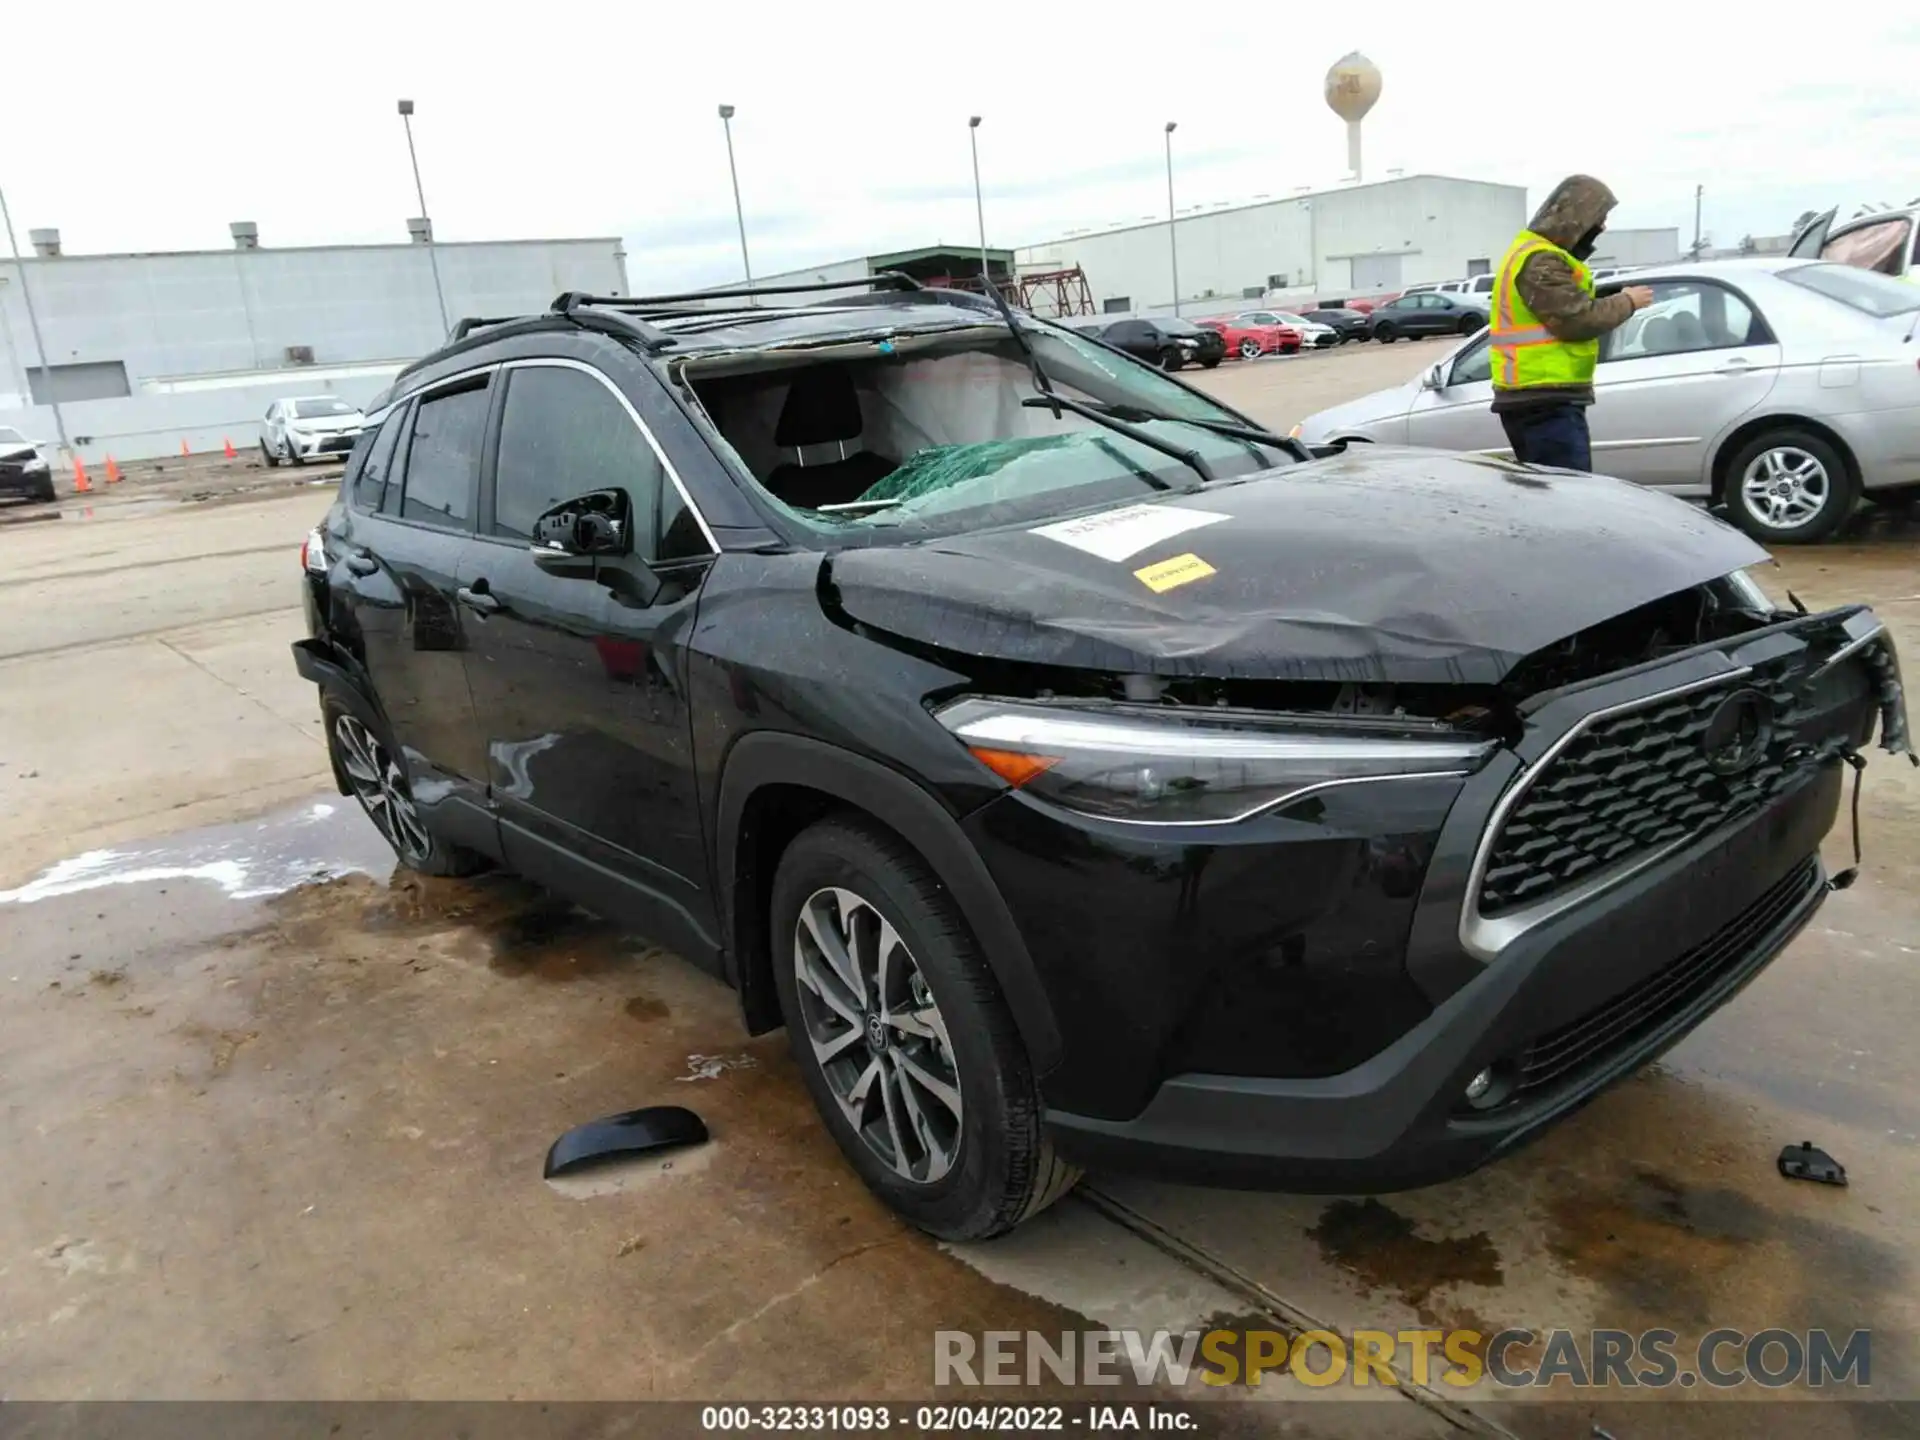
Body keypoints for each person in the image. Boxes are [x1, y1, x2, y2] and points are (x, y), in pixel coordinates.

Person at [1488, 175, 1655, 471]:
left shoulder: (1541, 255)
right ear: (1576, 217)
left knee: (1551, 495)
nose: (1602, 227)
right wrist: (1628, 301)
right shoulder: (1540, 260)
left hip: (1541, 399)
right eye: (1598, 218)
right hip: (1542, 401)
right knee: (1566, 497)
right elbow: (1576, 320)